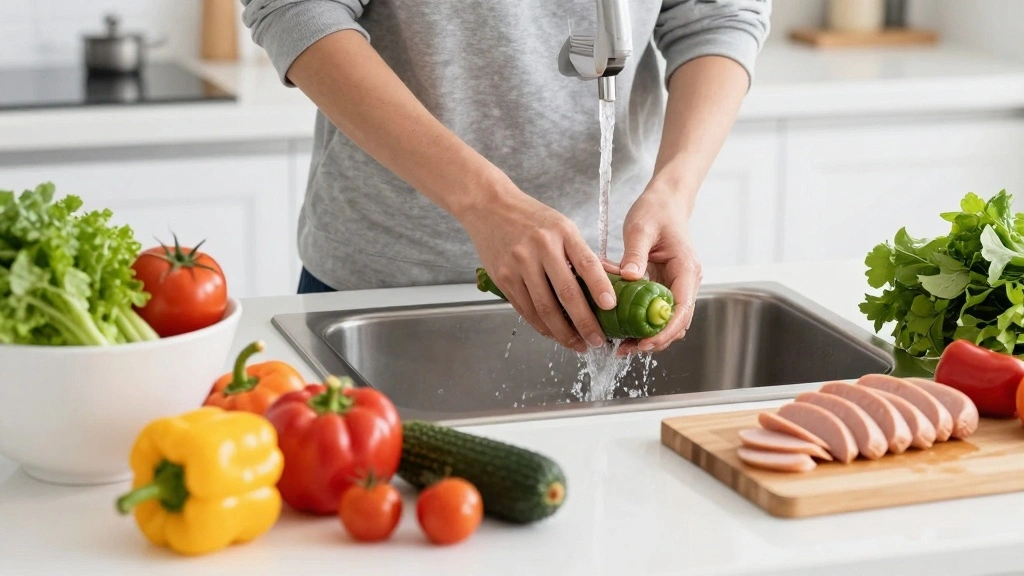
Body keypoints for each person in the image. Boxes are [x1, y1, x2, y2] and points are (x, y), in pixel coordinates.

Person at [241, 0, 771, 356]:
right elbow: (297, 8)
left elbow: (718, 15)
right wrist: (485, 203)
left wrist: (675, 189)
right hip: (387, 282)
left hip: (611, 285)